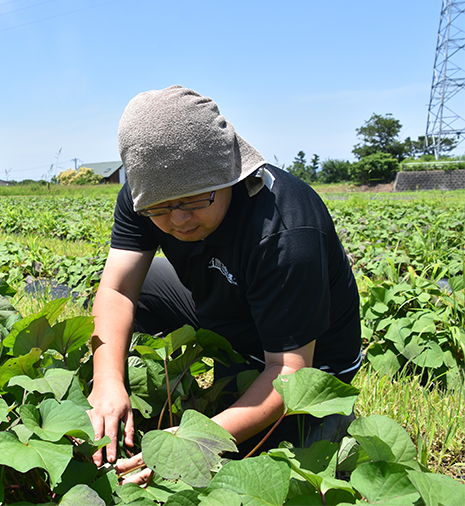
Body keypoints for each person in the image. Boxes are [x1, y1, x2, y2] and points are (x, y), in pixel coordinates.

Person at [86, 85, 362, 483]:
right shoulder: (143, 198)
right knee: (142, 290)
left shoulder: (285, 229)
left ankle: (323, 420)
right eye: (160, 208)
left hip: (308, 360)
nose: (178, 220)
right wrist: (108, 382)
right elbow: (117, 290)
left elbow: (288, 371)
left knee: (278, 461)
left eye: (195, 200)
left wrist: (194, 439)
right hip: (227, 312)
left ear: (229, 175)